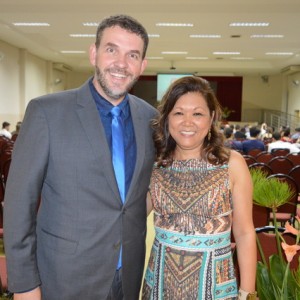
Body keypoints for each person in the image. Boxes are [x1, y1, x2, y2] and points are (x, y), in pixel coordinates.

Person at [4, 14, 157, 300]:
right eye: (112, 49)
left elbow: (139, 196)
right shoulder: (46, 112)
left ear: (142, 65)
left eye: (132, 55)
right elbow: (18, 204)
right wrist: (24, 285)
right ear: (93, 53)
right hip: (64, 278)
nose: (121, 64)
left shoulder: (150, 119)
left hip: (129, 276)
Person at [142, 76, 257, 300]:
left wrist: (248, 293)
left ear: (211, 117)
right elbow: (133, 215)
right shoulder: (155, 164)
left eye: (197, 113)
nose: (187, 122)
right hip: (159, 287)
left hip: (215, 289)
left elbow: (244, 233)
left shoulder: (231, 164)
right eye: (178, 113)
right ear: (166, 119)